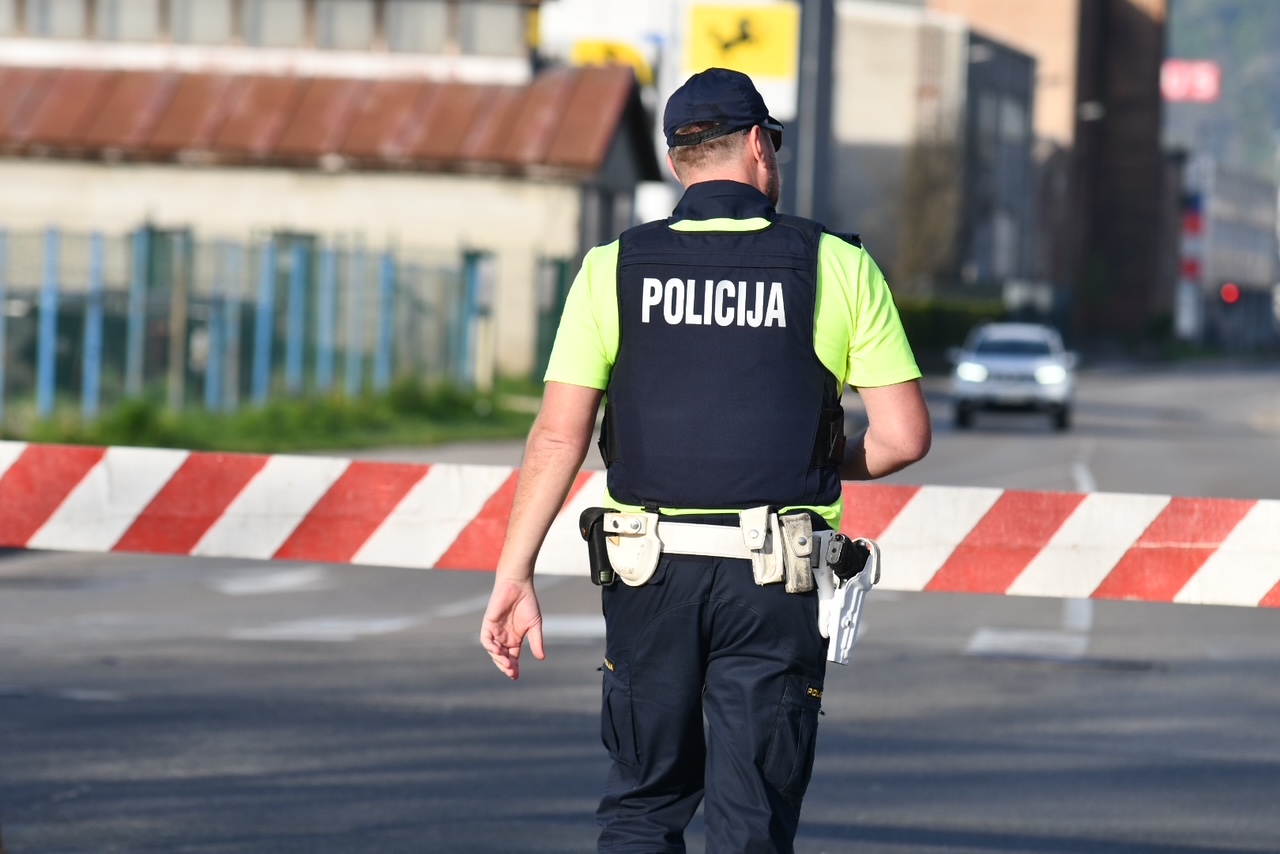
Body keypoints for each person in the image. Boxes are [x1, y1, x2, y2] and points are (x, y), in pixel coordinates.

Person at [481, 67, 931, 853]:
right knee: (749, 820)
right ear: (759, 145)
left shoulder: (611, 268)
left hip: (646, 576)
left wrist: (513, 576)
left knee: (643, 807)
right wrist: (817, 452)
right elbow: (902, 437)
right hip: (775, 582)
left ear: (676, 162)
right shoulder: (836, 265)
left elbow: (557, 437)